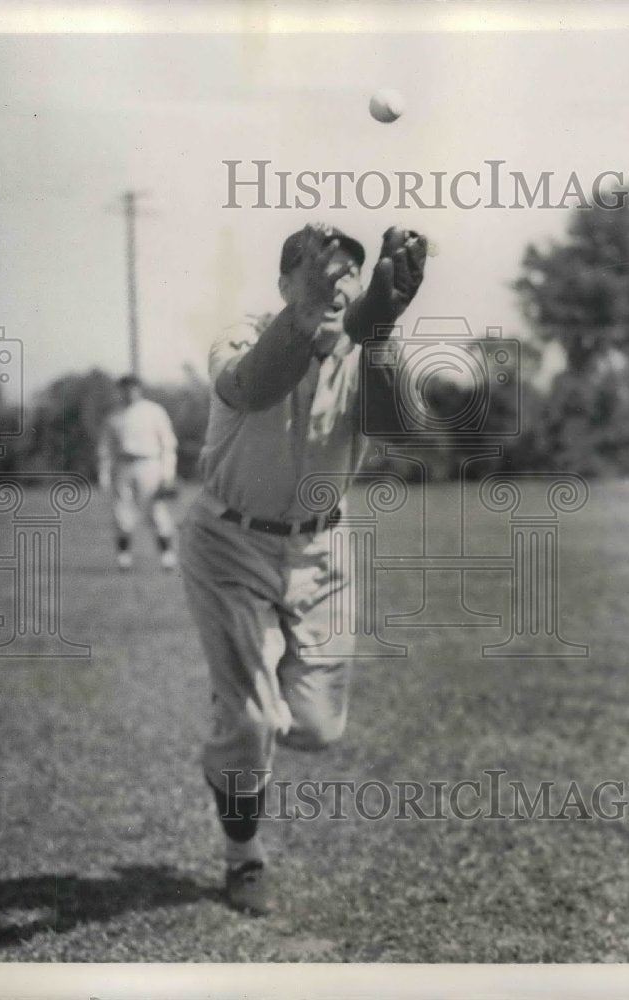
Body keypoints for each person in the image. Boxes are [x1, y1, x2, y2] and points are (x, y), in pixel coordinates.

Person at [179, 223, 427, 914]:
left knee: (317, 728)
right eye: (319, 272)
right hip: (230, 544)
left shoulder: (363, 342)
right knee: (253, 722)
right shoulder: (243, 334)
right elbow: (253, 385)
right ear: (285, 282)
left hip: (321, 550)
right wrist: (307, 315)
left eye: (349, 275)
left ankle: (243, 697)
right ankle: (243, 856)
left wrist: (377, 331)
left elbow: (401, 431)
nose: (335, 286)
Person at [97, 374, 179, 570]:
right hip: (124, 465)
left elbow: (168, 443)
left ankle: (167, 557)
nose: (129, 392)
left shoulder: (154, 411)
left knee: (156, 511)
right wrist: (104, 473)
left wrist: (167, 474)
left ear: (139, 389)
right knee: (121, 512)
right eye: (125, 388)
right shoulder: (114, 416)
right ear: (120, 390)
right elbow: (105, 448)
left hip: (149, 464)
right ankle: (123, 559)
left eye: (133, 388)